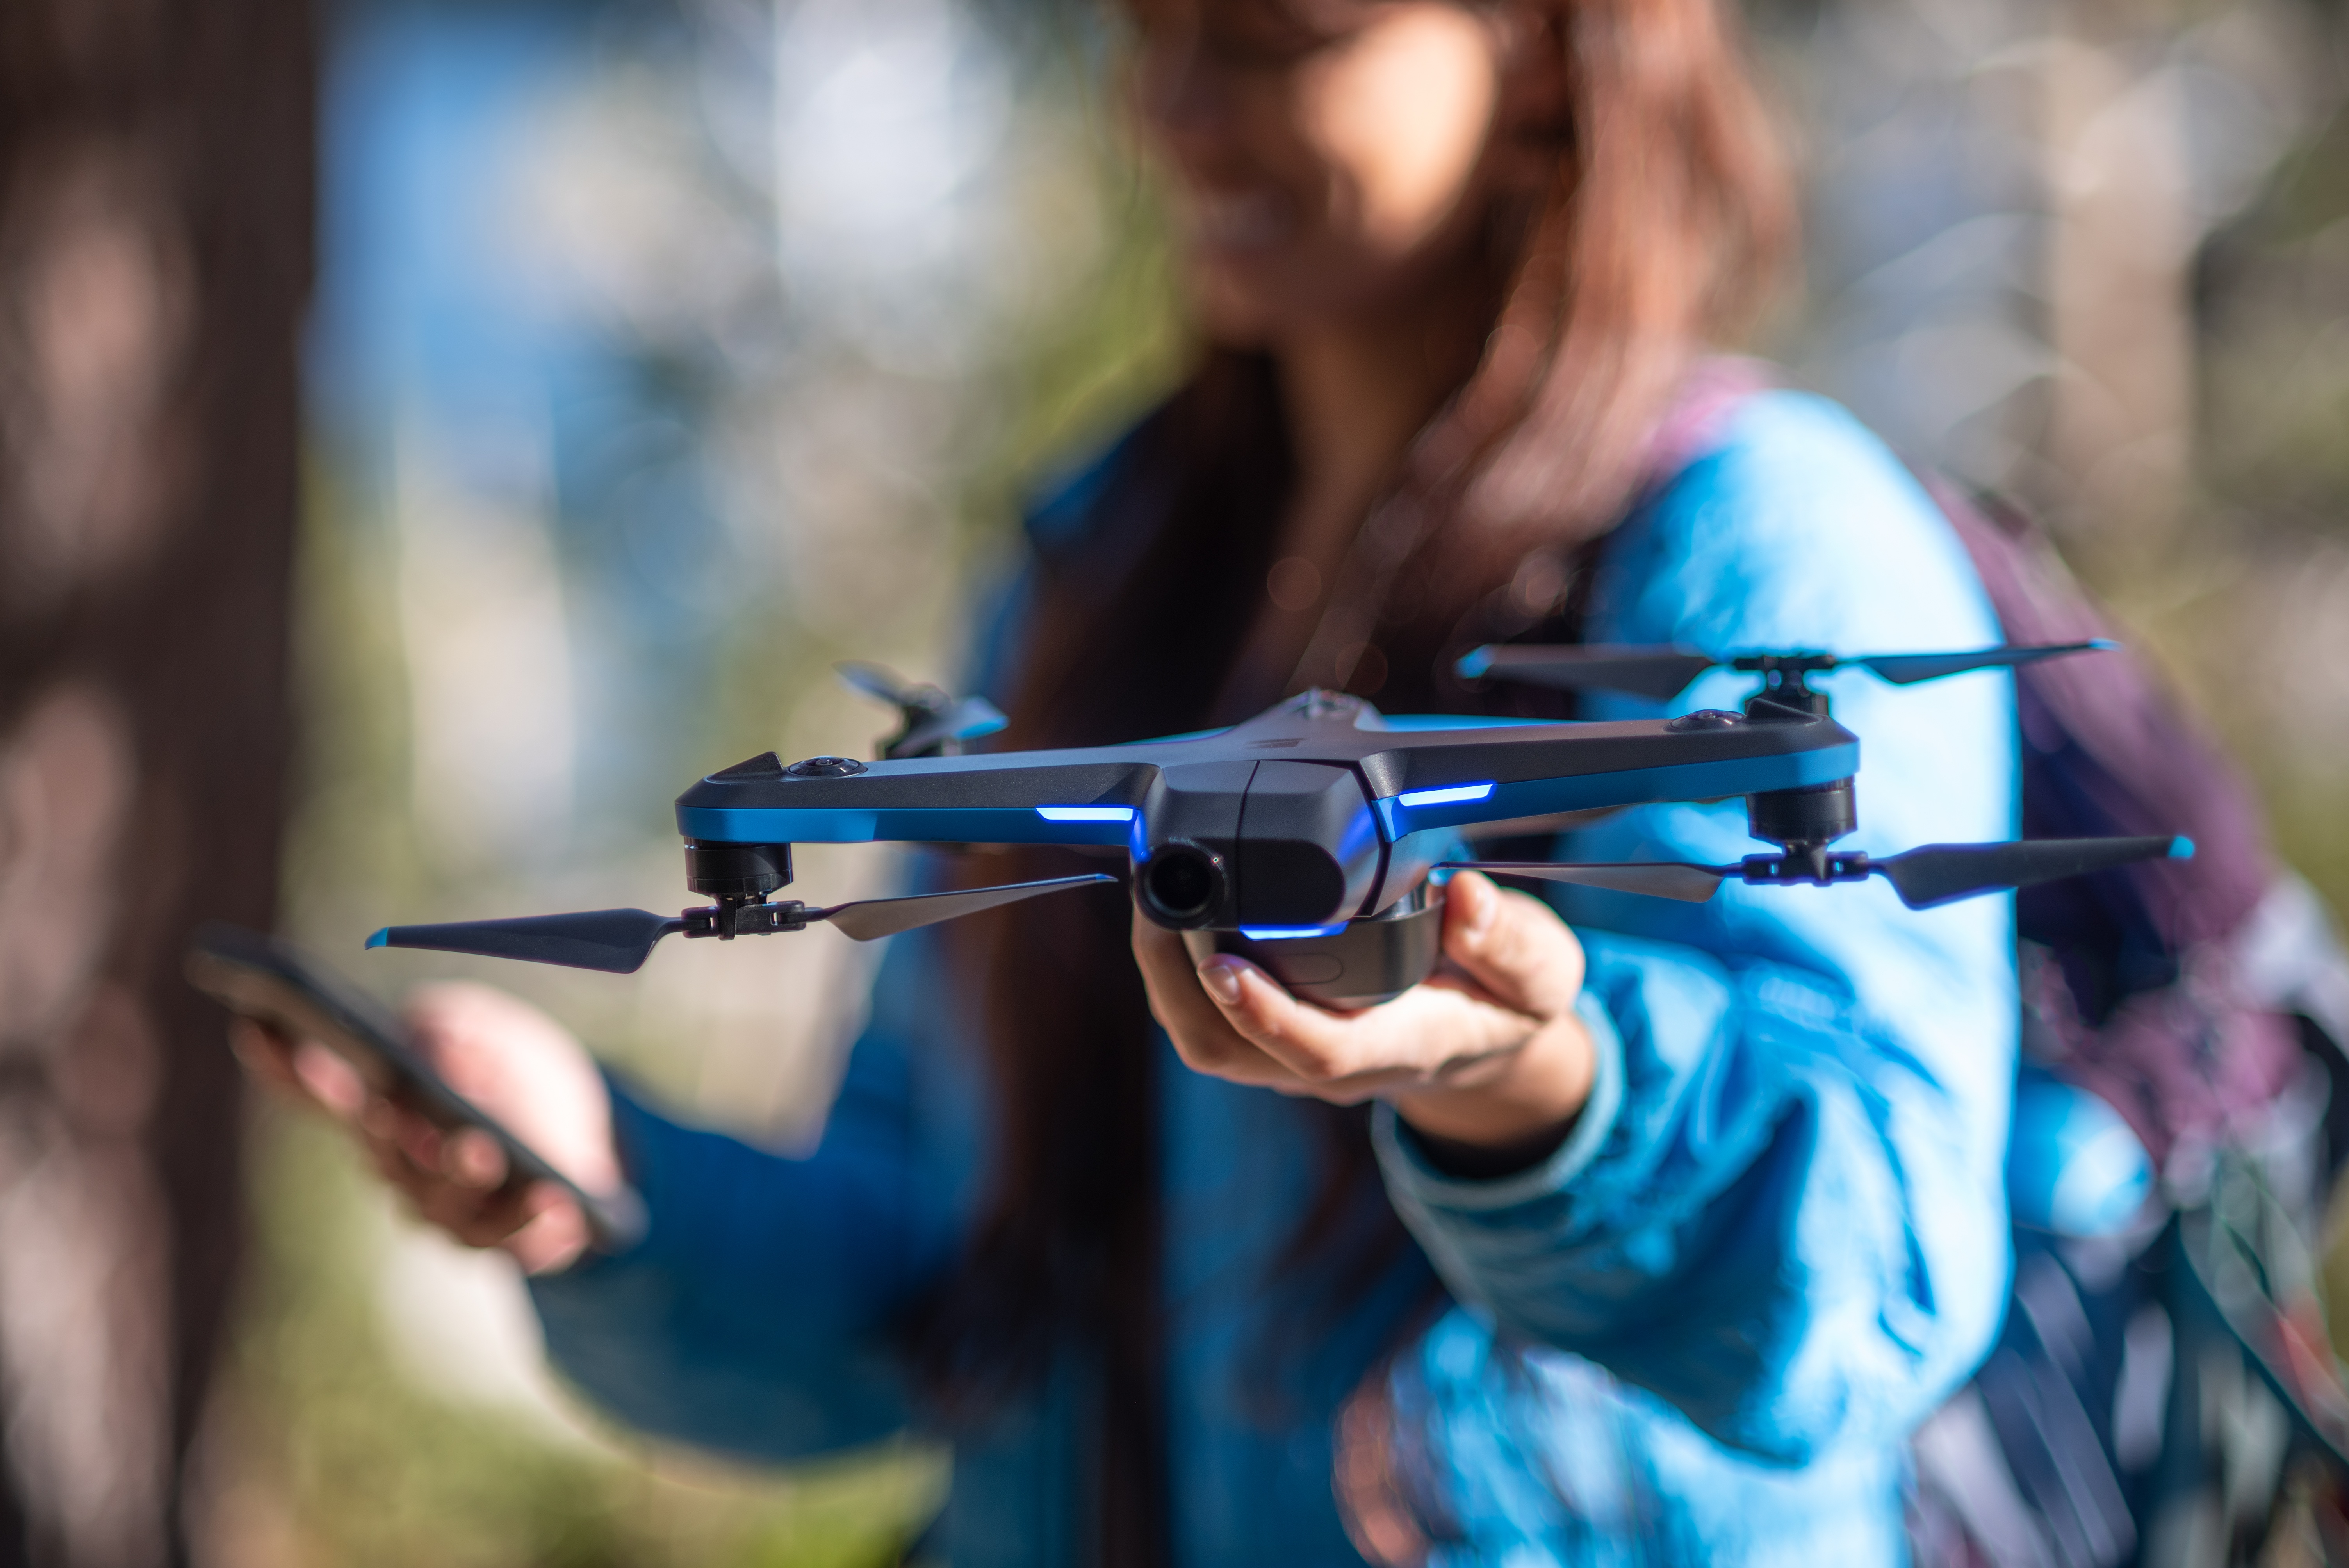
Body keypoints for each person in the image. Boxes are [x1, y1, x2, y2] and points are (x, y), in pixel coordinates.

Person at [240, 0, 2023, 1561]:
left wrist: (1540, 1093)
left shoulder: (1772, 549)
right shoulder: (1095, 572)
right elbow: (929, 1269)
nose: (1175, 106)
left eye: (1273, 35)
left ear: (1546, 53)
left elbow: (1864, 1303)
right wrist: (607, 1186)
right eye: (1146, 27)